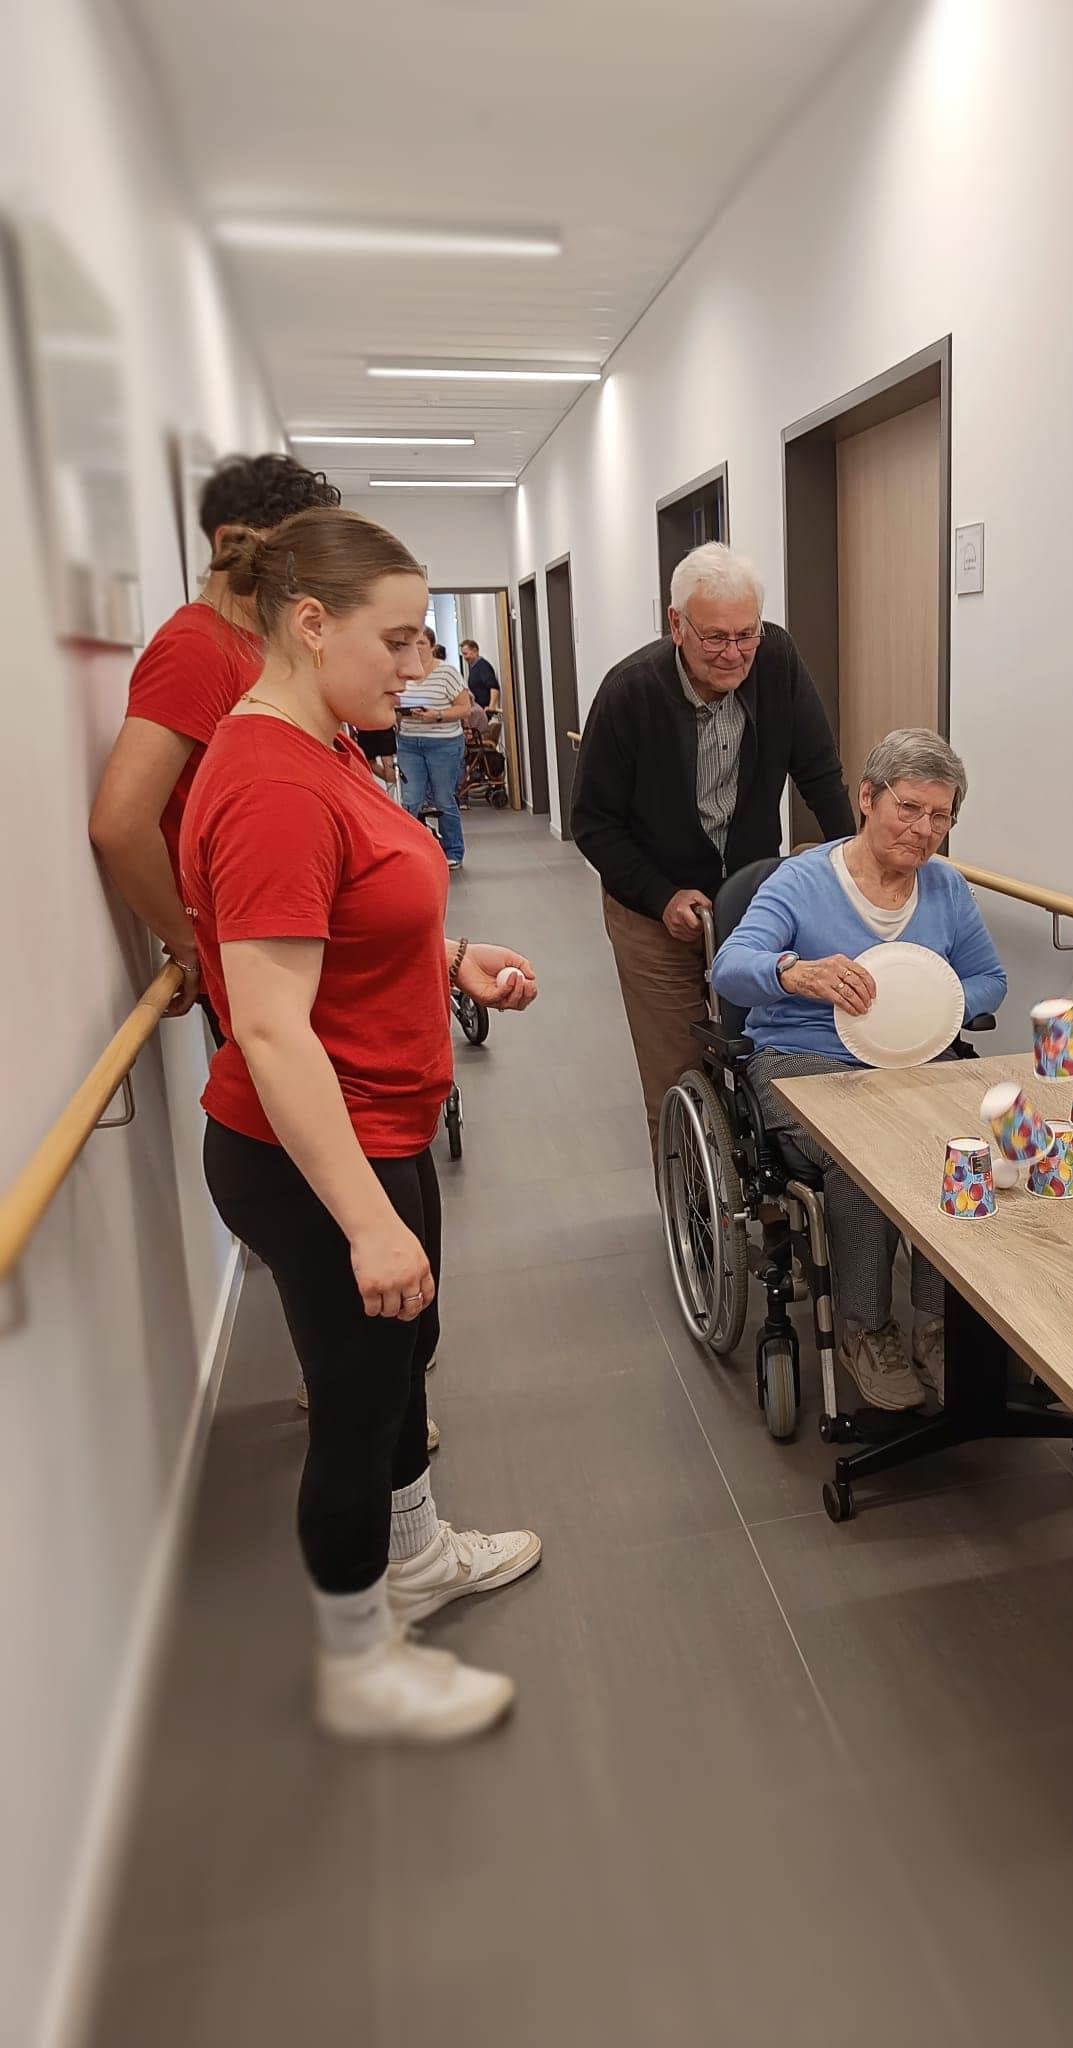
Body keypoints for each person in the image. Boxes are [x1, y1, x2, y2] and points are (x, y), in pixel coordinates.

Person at [180, 506, 541, 1744]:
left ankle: (420, 1557)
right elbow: (271, 1029)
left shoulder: (323, 742)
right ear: (309, 622)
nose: (418, 665)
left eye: (423, 638)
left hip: (382, 1122)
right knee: (355, 1405)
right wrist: (365, 1222)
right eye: (397, 640)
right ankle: (358, 1660)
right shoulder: (272, 783)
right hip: (317, 1153)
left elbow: (351, 913)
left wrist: (450, 957)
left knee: (401, 1361)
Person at [710, 730, 1005, 1413]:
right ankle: (865, 1327)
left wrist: (936, 1000)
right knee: (864, 1152)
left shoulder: (945, 888)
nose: (923, 830)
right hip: (802, 1057)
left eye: (940, 816)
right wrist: (794, 973)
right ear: (867, 798)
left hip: (913, 1059)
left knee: (963, 1143)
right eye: (909, 808)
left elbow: (989, 978)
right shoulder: (802, 882)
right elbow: (730, 967)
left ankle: (939, 1320)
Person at [572, 541, 854, 1167]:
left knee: (764, 1048)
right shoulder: (629, 693)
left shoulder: (776, 659)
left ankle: (763, 1188)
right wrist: (660, 896)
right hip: (653, 903)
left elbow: (819, 773)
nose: (734, 653)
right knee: (679, 1071)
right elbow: (592, 824)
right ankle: (693, 1204)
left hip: (752, 902)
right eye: (715, 638)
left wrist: (851, 868)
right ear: (676, 625)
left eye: (746, 634)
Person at [90, 453, 342, 1029]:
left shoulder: (256, 644)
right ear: (232, 544)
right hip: (254, 943)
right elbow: (121, 822)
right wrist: (187, 941)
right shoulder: (195, 648)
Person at [397, 632, 473, 869]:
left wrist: (438, 715)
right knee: (411, 799)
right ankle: (414, 852)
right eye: (411, 643)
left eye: (421, 642)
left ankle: (453, 851)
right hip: (409, 742)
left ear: (432, 646)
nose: (416, 647)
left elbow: (465, 708)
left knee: (442, 798)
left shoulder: (446, 673)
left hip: (444, 743)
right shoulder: (401, 670)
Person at [461, 638, 500, 713]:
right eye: (463, 654)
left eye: (466, 654)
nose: (465, 657)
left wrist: (492, 706)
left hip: (484, 711)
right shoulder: (473, 667)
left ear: (475, 651)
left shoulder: (483, 666)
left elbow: (493, 686)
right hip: (478, 709)